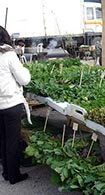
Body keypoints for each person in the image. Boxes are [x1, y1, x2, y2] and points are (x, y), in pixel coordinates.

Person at [0, 26, 31, 184]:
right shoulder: (8, 55)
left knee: (3, 140)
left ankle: (6, 172)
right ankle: (13, 175)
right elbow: (24, 79)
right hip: (10, 104)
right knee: (12, 141)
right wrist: (26, 71)